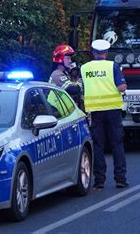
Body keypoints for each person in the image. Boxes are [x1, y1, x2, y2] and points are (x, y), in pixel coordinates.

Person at [80, 39, 128, 189]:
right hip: (113, 110)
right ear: (106, 53)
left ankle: (99, 181)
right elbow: (121, 88)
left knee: (98, 145)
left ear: (93, 52)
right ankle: (120, 179)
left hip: (94, 112)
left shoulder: (84, 68)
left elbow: (82, 87)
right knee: (117, 144)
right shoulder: (112, 66)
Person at [49, 44, 84, 110]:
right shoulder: (57, 74)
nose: (70, 61)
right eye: (68, 58)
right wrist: (81, 80)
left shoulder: (64, 73)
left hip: (62, 112)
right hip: (56, 112)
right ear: (60, 59)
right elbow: (73, 89)